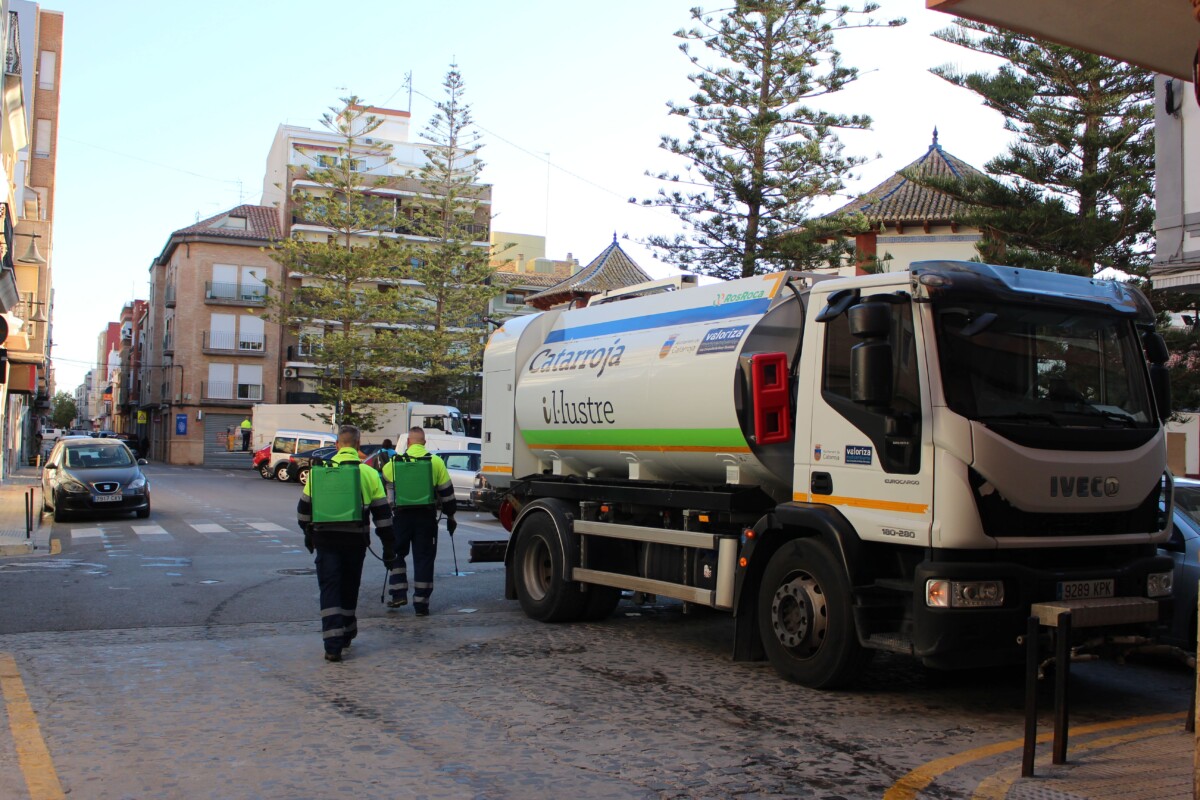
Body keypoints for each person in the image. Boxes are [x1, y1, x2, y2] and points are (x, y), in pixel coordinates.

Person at [297, 424, 393, 662]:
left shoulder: (319, 473)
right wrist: (389, 548)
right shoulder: (370, 474)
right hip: (355, 541)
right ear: (358, 446)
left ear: (337, 445)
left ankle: (332, 645)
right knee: (350, 586)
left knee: (330, 589)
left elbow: (303, 512)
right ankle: (348, 631)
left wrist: (309, 535)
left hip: (326, 540)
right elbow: (383, 517)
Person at [381, 427, 456, 616]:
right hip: (426, 517)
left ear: (408, 443)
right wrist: (451, 515)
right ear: (424, 443)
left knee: (397, 553)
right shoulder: (435, 462)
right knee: (423, 558)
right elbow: (447, 494)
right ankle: (421, 604)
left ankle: (398, 593)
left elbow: (385, 477)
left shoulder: (395, 462)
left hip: (401, 517)